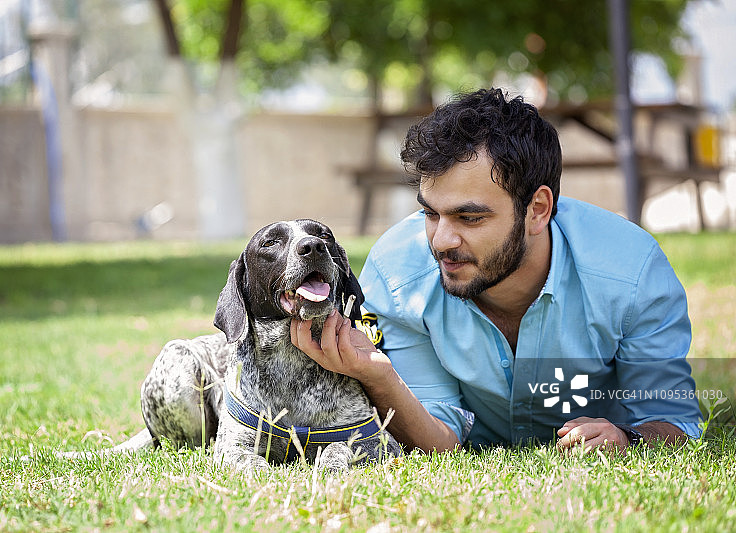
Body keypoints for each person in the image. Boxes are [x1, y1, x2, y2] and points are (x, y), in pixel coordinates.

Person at [291, 88, 702, 453]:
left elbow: (674, 421)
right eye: (430, 213)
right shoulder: (397, 276)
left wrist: (629, 439)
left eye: (469, 218)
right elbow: (440, 436)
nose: (440, 241)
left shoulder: (631, 272)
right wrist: (380, 378)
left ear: (537, 210)